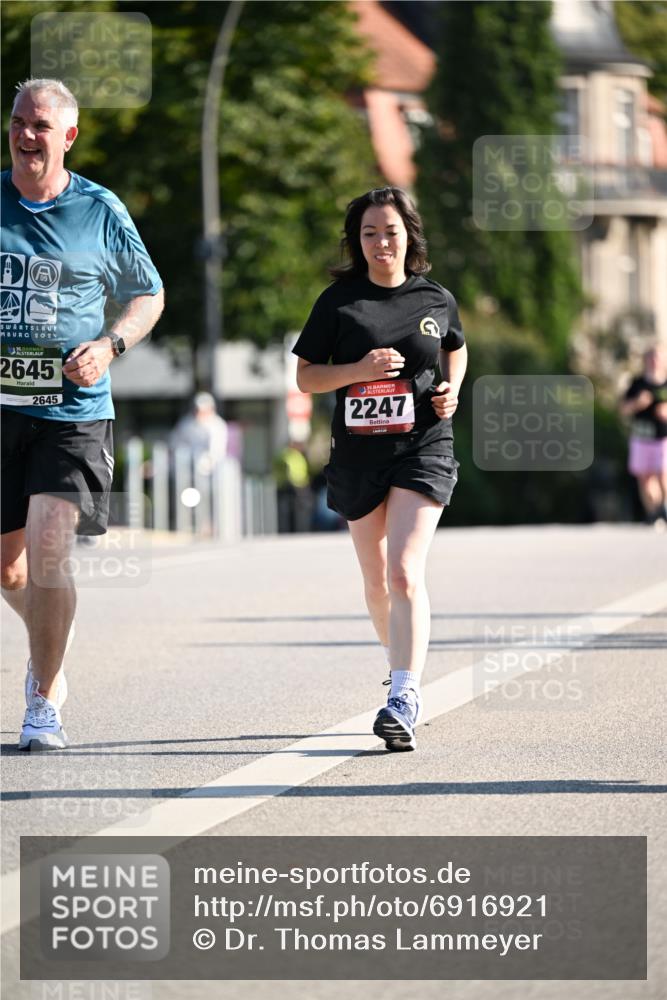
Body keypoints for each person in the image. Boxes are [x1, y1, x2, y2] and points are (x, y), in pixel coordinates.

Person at [1, 79, 164, 750]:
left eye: (40, 125)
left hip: (73, 411)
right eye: (19, 120)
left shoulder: (98, 210)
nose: (25, 134)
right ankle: (52, 634)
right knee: (10, 571)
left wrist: (109, 345)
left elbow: (147, 294)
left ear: (68, 137)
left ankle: (43, 701)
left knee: (47, 551)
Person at [293, 186, 467, 751]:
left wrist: (452, 389)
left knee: (403, 573)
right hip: (358, 455)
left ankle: (404, 695)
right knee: (376, 583)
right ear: (357, 241)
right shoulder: (338, 302)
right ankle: (399, 666)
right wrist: (358, 369)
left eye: (390, 232)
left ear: (408, 236)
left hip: (423, 447)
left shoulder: (435, 298)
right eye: (369, 233)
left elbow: (456, 347)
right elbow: (306, 377)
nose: (381, 243)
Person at [620, 345, 667, 525]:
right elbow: (623, 409)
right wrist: (637, 404)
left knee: (663, 475)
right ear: (646, 360)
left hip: (663, 438)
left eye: (658, 357)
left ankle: (664, 507)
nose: (654, 361)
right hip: (641, 437)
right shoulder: (637, 384)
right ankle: (654, 513)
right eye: (651, 357)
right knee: (645, 479)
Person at [170, 392, 228, 476]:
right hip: (186, 468)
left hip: (211, 470)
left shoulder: (218, 425)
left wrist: (206, 463)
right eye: (197, 410)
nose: (199, 413)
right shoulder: (186, 423)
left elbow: (217, 450)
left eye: (203, 410)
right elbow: (174, 443)